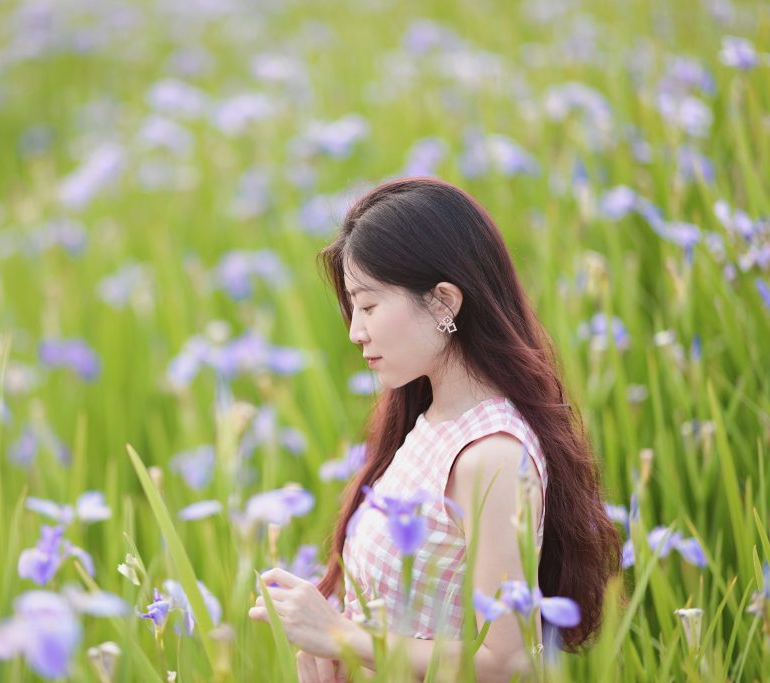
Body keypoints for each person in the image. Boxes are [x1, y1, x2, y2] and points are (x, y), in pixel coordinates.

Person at [248, 177, 621, 682]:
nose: (356, 331)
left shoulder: (492, 455)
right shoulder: (427, 422)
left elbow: (506, 662)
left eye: (369, 305)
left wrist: (339, 636)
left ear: (444, 301)